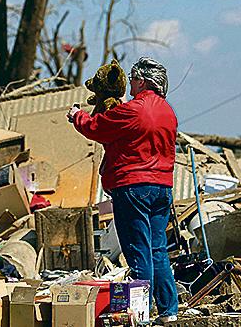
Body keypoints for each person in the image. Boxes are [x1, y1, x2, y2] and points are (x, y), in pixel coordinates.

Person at [67, 57, 179, 322]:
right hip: (162, 187)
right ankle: (169, 311)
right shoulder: (168, 113)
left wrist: (76, 116)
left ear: (142, 80)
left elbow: (97, 127)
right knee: (157, 248)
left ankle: (140, 314)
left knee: (137, 248)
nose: (130, 82)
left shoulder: (133, 110)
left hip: (133, 187)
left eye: (133, 77)